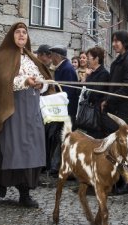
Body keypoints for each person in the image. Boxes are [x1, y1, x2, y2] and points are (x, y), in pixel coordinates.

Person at [0, 22, 53, 208]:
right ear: (12, 36)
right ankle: (2, 180)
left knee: (32, 149)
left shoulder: (32, 58)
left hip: (32, 110)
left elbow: (46, 81)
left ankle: (25, 193)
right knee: (11, 149)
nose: (21, 35)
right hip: (12, 109)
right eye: (17, 32)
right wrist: (25, 80)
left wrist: (41, 84)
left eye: (24, 32)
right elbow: (2, 82)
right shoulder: (4, 57)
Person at [103, 30, 128, 195]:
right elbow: (113, 84)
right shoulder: (118, 61)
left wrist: (109, 100)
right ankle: (119, 179)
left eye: (117, 41)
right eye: (113, 41)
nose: (114, 44)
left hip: (125, 109)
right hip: (116, 107)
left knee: (124, 146)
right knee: (116, 146)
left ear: (124, 42)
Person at [45, 45, 79, 176]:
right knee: (58, 138)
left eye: (51, 55)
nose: (50, 58)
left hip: (66, 112)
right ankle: (55, 166)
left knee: (63, 139)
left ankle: (59, 167)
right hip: (60, 112)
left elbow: (68, 93)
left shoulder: (67, 69)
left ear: (58, 56)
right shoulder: (61, 68)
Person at [81, 46, 110, 139]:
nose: (87, 60)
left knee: (96, 139)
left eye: (89, 58)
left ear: (96, 59)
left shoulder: (103, 74)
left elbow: (95, 93)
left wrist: (86, 91)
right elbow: (82, 88)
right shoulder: (91, 73)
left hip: (97, 114)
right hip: (88, 111)